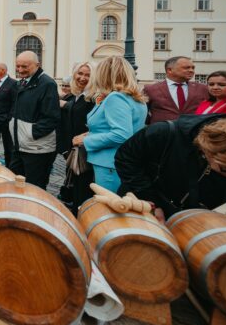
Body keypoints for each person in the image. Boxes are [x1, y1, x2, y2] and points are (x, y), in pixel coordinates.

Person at [117, 115, 226, 221]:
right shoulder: (163, 133)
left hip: (196, 224)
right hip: (141, 208)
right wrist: (153, 203)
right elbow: (125, 159)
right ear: (210, 153)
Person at [72, 56, 147, 193]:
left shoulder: (116, 97)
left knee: (111, 207)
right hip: (121, 161)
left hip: (110, 163)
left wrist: (86, 140)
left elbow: (121, 134)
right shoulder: (133, 97)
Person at [8, 51, 60, 189]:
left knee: (34, 189)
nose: (20, 70)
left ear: (37, 65)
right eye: (17, 66)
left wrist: (30, 134)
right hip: (21, 146)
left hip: (37, 149)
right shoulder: (24, 82)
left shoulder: (48, 84)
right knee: (16, 185)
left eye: (24, 66)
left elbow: (51, 118)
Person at [56, 62, 95, 212]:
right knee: (76, 187)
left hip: (86, 152)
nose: (82, 78)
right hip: (75, 150)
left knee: (83, 190)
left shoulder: (93, 97)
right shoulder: (78, 95)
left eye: (87, 75)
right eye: (80, 73)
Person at [144, 56, 209, 124]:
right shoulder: (150, 89)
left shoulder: (203, 89)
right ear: (170, 70)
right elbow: (143, 112)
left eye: (193, 68)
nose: (191, 70)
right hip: (163, 132)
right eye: (186, 68)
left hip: (193, 131)